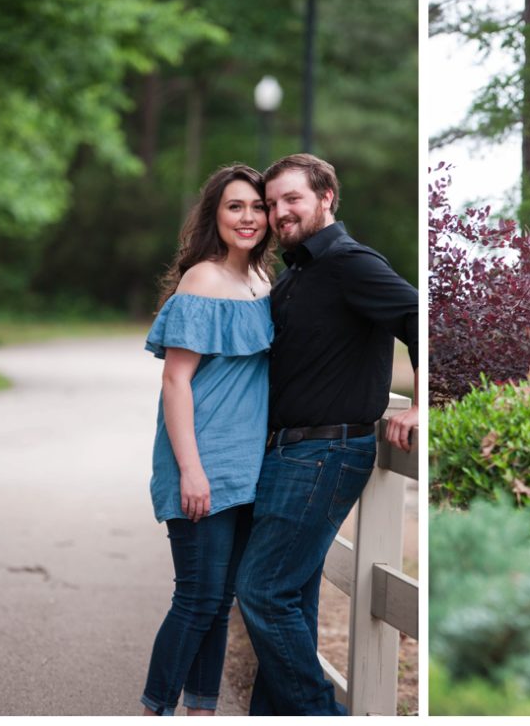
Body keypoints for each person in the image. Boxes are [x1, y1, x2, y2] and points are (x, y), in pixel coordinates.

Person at [234, 153, 419, 715]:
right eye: (272, 204)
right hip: (292, 451)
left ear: (326, 198)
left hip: (324, 452)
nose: (279, 212)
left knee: (263, 592)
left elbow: (419, 319)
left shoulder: (348, 262)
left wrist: (424, 406)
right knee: (292, 598)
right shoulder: (297, 274)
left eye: (292, 198)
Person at [140, 164, 275, 716]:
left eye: (257, 207)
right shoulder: (204, 279)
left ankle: (201, 710)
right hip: (201, 462)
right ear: (215, 216)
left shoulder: (264, 284)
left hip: (247, 468)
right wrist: (192, 470)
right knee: (195, 599)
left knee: (220, 603)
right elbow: (176, 381)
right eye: (235, 207)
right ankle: (155, 709)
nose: (248, 218)